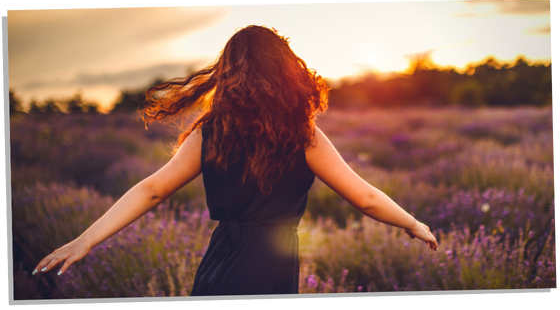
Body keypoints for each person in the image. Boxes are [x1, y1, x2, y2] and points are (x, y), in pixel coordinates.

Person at [32, 25, 438, 296]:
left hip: (219, 258)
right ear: (285, 70)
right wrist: (412, 222)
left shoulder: (211, 131)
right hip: (269, 262)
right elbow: (364, 198)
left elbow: (152, 190)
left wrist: (86, 240)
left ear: (229, 73)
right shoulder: (303, 135)